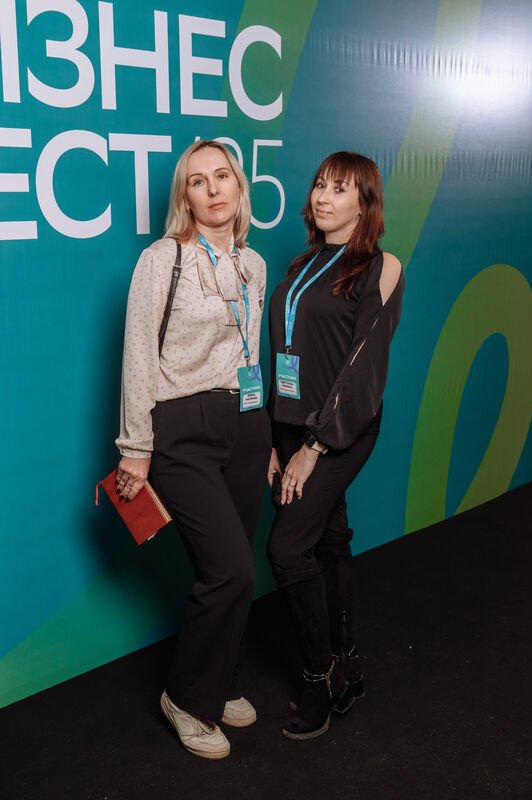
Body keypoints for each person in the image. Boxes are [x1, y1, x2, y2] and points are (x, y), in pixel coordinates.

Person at [115, 140, 271, 759]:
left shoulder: (253, 264)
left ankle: (221, 679)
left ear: (239, 186)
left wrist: (262, 430)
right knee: (231, 570)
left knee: (231, 570)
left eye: (223, 176)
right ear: (186, 195)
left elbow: (250, 350)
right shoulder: (163, 259)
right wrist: (136, 448)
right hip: (181, 428)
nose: (213, 189)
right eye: (198, 180)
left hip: (245, 425)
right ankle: (184, 697)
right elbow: (137, 355)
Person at [266, 150, 404, 740]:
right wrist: (272, 436)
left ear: (365, 202)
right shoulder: (300, 264)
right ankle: (348, 667)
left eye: (340, 188)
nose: (323, 197)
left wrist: (314, 446)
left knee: (285, 547)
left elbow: (363, 366)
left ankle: (318, 677)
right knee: (327, 539)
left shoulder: (380, 266)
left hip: (339, 432)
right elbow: (280, 356)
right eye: (320, 184)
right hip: (289, 427)